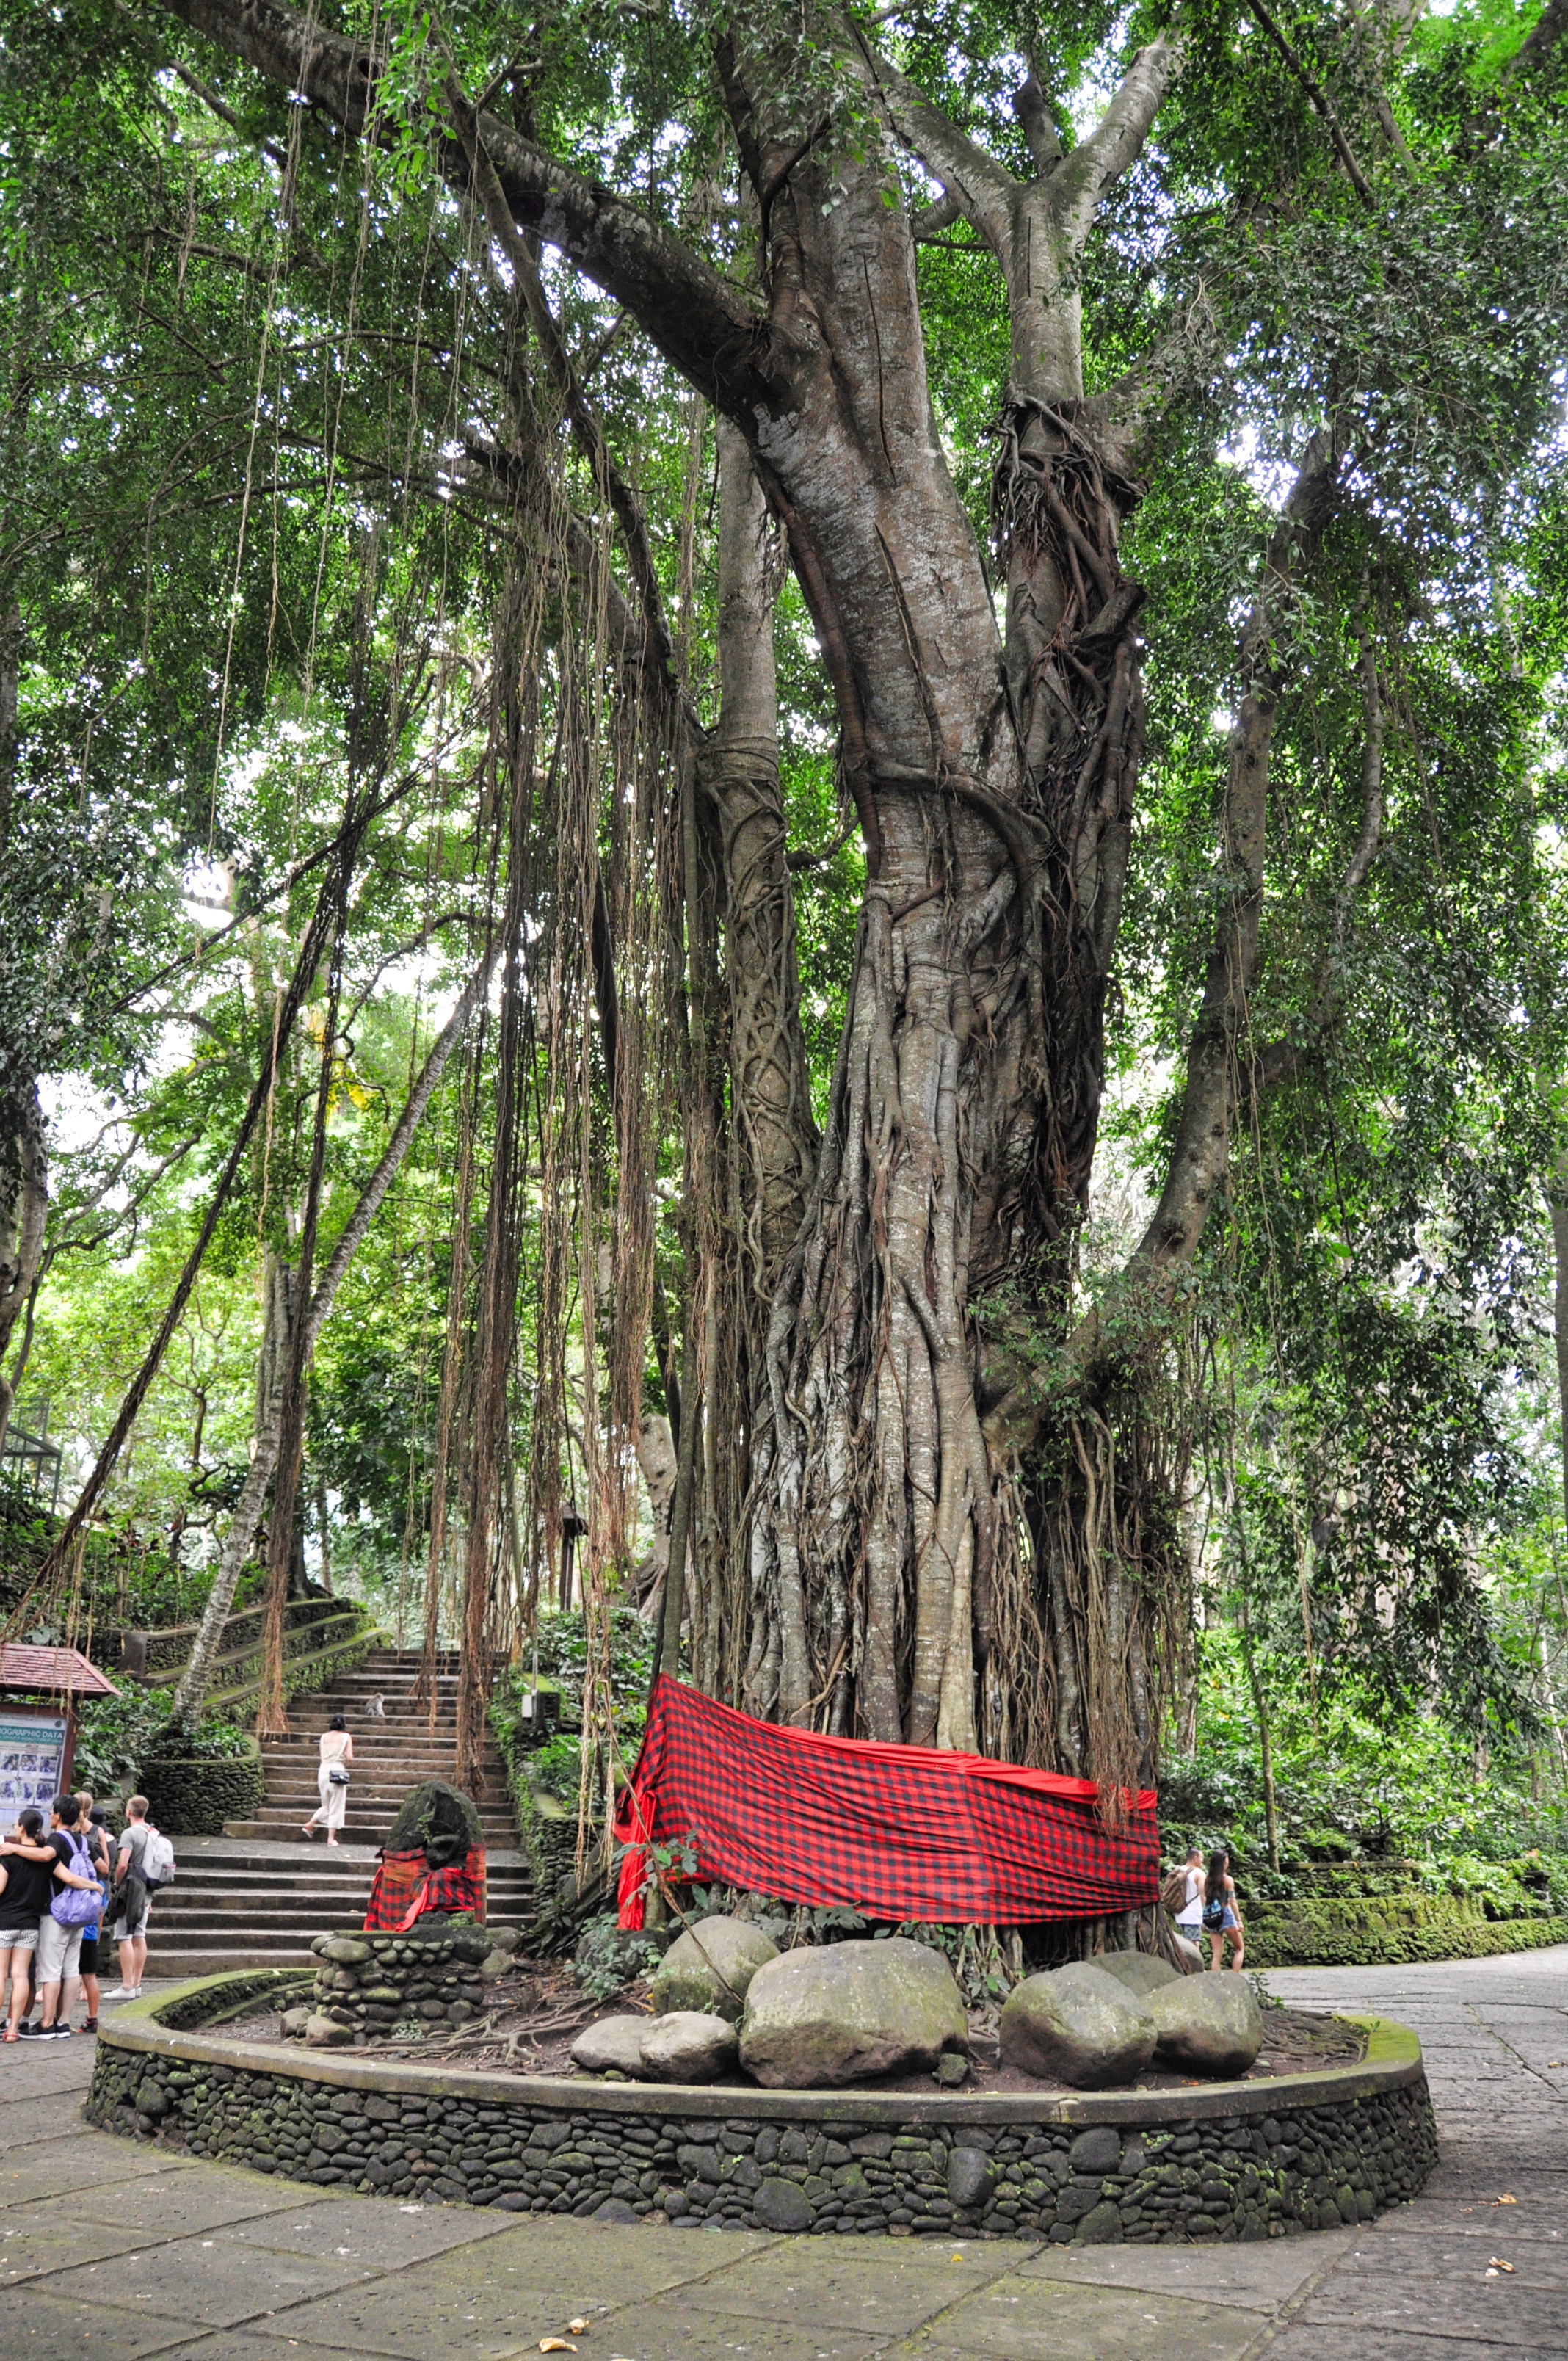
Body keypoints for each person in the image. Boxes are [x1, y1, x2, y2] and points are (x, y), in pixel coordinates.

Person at [34, 1794, 102, 2039]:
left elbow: (47, 1858)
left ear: (59, 1816)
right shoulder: (83, 1842)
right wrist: (94, 1886)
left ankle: (46, 2023)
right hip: (81, 1914)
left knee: (51, 1970)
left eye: (52, 1811)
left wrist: (11, 1847)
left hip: (57, 1913)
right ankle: (64, 2022)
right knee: (72, 1969)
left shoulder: (56, 1839)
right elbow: (102, 1867)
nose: (50, 1815)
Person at [0, 1807, 56, 2042]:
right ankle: (13, 2029)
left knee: (1, 1974)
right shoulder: (44, 1857)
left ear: (22, 1828)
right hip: (30, 1924)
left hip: (5, 1922)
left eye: (15, 1825)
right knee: (21, 1975)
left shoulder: (8, 1856)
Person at [104, 1795, 155, 1999]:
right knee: (139, 1935)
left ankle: (126, 1987)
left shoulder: (130, 1833)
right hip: (146, 1891)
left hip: (130, 1890)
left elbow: (123, 1864)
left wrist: (117, 1883)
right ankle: (136, 1983)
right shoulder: (153, 1833)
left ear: (129, 1812)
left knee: (124, 1934)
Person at [75, 1804, 113, 2031]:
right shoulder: (98, 1884)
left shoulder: (77, 1849)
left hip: (74, 1925)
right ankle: (93, 2018)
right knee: (90, 1975)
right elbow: (105, 1868)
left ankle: (58, 2020)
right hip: (90, 1929)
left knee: (72, 1974)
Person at [303, 1715, 353, 1847]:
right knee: (336, 1804)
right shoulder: (346, 1737)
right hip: (337, 1770)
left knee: (326, 1804)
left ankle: (310, 1824)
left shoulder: (323, 1737)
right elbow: (350, 1757)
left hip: (323, 1770)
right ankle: (331, 1839)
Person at [1202, 1846, 1246, 1971]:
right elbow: (1232, 1901)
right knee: (1239, 1948)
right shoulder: (1227, 1880)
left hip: (1212, 1916)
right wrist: (1239, 1920)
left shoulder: (1207, 1880)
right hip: (1226, 1914)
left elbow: (1205, 1899)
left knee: (1217, 1954)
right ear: (1223, 1863)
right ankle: (1234, 1977)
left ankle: (1217, 1982)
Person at [1174, 1844, 1206, 1946]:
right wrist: (1206, 1914)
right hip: (1193, 1916)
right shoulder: (1199, 1874)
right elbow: (1203, 1896)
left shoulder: (1178, 1870)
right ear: (1195, 1857)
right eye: (1201, 1857)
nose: (1202, 1860)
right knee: (1193, 1946)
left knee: (1184, 1945)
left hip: (1179, 1913)